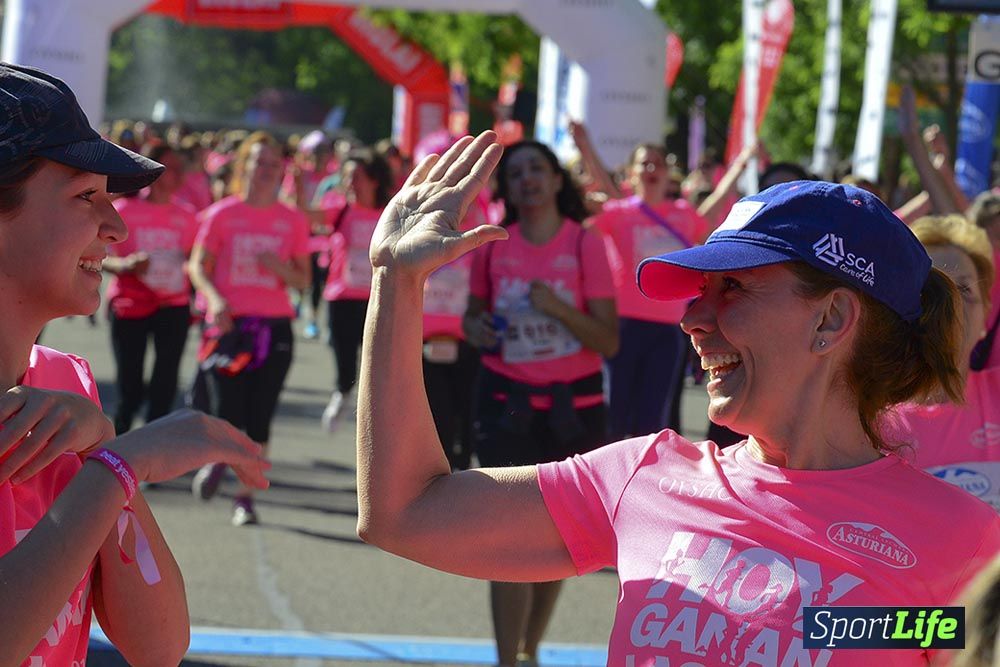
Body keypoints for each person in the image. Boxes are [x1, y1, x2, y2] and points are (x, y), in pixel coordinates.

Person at [357, 132, 1000, 667]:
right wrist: (395, 280)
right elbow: (405, 512)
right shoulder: (642, 479)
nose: (693, 317)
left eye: (734, 288)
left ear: (831, 319)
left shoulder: (964, 547)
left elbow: (893, 632)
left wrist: (853, 626)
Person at [0, 62, 269, 666]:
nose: (117, 226)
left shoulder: (68, 383)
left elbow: (159, 645)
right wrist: (120, 467)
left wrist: (108, 456)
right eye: (84, 196)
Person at [459, 139, 618, 667]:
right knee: (504, 540)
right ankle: (509, 660)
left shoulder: (584, 245)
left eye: (537, 169)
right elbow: (471, 318)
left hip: (575, 406)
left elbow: (607, 340)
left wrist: (557, 308)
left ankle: (530, 648)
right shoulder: (493, 244)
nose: (526, 179)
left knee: (561, 544)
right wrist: (477, 327)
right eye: (517, 172)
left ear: (556, 181)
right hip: (506, 400)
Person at [188, 131, 311, 526]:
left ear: (281, 171)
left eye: (273, 164)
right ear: (244, 167)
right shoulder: (223, 214)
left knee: (260, 416)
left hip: (274, 328)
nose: (265, 171)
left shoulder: (292, 220)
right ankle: (222, 459)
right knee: (226, 412)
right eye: (258, 162)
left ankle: (245, 496)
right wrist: (215, 299)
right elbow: (197, 266)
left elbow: (304, 281)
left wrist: (278, 268)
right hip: (231, 326)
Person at [586, 143, 708, 439]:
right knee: (616, 413)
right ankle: (608, 481)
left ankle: (644, 481)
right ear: (631, 174)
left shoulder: (684, 214)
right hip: (624, 325)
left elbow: (713, 210)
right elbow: (583, 229)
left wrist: (740, 166)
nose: (652, 169)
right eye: (645, 164)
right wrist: (584, 146)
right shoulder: (617, 213)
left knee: (653, 419)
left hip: (668, 330)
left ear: (669, 175)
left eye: (659, 164)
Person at [886, 215, 1000, 509]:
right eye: (933, 290)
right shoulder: (862, 420)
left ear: (986, 319)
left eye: (964, 290)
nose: (952, 305)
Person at [103, 142, 198, 434]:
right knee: (130, 385)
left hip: (173, 307)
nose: (180, 175)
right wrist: (125, 265)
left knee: (165, 382)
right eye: (173, 168)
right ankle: (116, 448)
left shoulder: (187, 215)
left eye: (183, 169)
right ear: (153, 170)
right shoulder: (124, 209)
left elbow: (197, 260)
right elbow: (96, 253)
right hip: (130, 305)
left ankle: (151, 449)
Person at [317, 148, 393, 432]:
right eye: (346, 176)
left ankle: (374, 415)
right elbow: (307, 215)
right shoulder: (340, 208)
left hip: (379, 297)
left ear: (374, 180)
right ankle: (342, 393)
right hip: (342, 296)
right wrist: (298, 185)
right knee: (344, 353)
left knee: (376, 362)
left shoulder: (390, 212)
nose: (349, 183)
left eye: (356, 176)